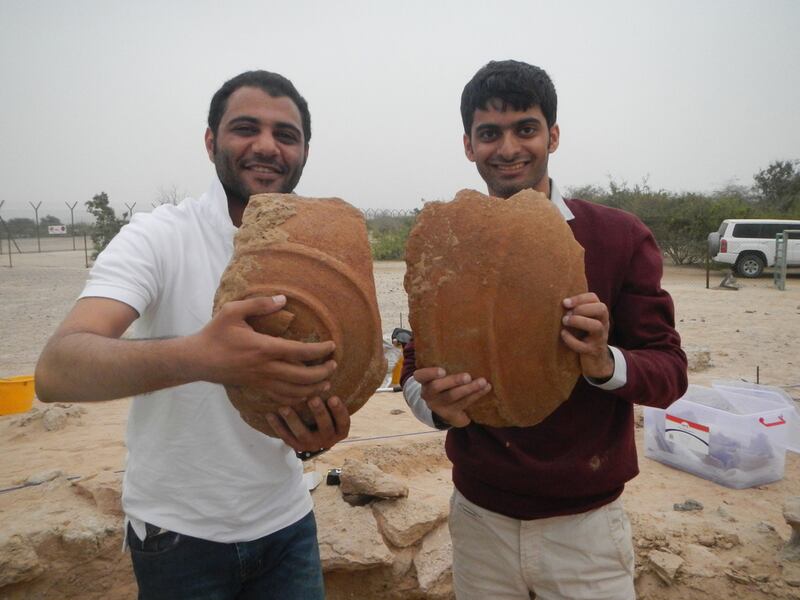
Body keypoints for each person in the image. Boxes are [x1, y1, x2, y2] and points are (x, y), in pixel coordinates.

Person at [35, 70, 348, 600]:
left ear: (305, 151)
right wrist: (203, 357)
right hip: (178, 538)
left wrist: (312, 438)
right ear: (211, 142)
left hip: (287, 524)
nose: (267, 146)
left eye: (286, 135)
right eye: (246, 128)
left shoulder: (321, 256)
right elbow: (57, 368)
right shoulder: (158, 237)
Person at [401, 60, 688, 600]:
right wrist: (437, 406)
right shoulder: (449, 244)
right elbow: (416, 374)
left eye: (525, 129)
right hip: (479, 520)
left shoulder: (617, 236)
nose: (508, 148)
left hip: (586, 531)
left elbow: (670, 372)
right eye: (490, 133)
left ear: (552, 135)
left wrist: (605, 362)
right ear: (468, 145)